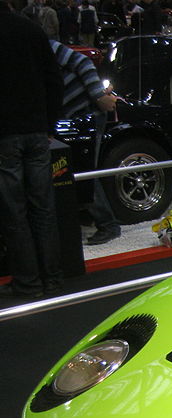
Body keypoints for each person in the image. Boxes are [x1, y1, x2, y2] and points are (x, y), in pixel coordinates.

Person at [0, 0, 63, 300]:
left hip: (5, 135)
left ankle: (28, 282)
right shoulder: (31, 30)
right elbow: (54, 80)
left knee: (15, 212)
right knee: (43, 207)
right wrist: (49, 123)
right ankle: (52, 278)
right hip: (37, 130)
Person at [51, 39, 122, 246]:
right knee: (79, 170)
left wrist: (97, 95)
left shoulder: (44, 46)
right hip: (70, 116)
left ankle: (108, 224)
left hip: (86, 114)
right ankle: (96, 217)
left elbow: (82, 62)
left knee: (83, 171)